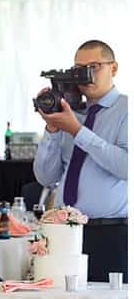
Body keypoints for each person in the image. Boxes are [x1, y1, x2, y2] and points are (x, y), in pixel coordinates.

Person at [33, 40, 128, 281]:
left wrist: (77, 130)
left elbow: (126, 166)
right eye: (78, 69)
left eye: (94, 66)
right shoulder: (70, 113)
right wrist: (53, 129)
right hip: (66, 234)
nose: (85, 75)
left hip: (112, 234)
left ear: (113, 68)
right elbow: (46, 177)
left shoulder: (127, 109)